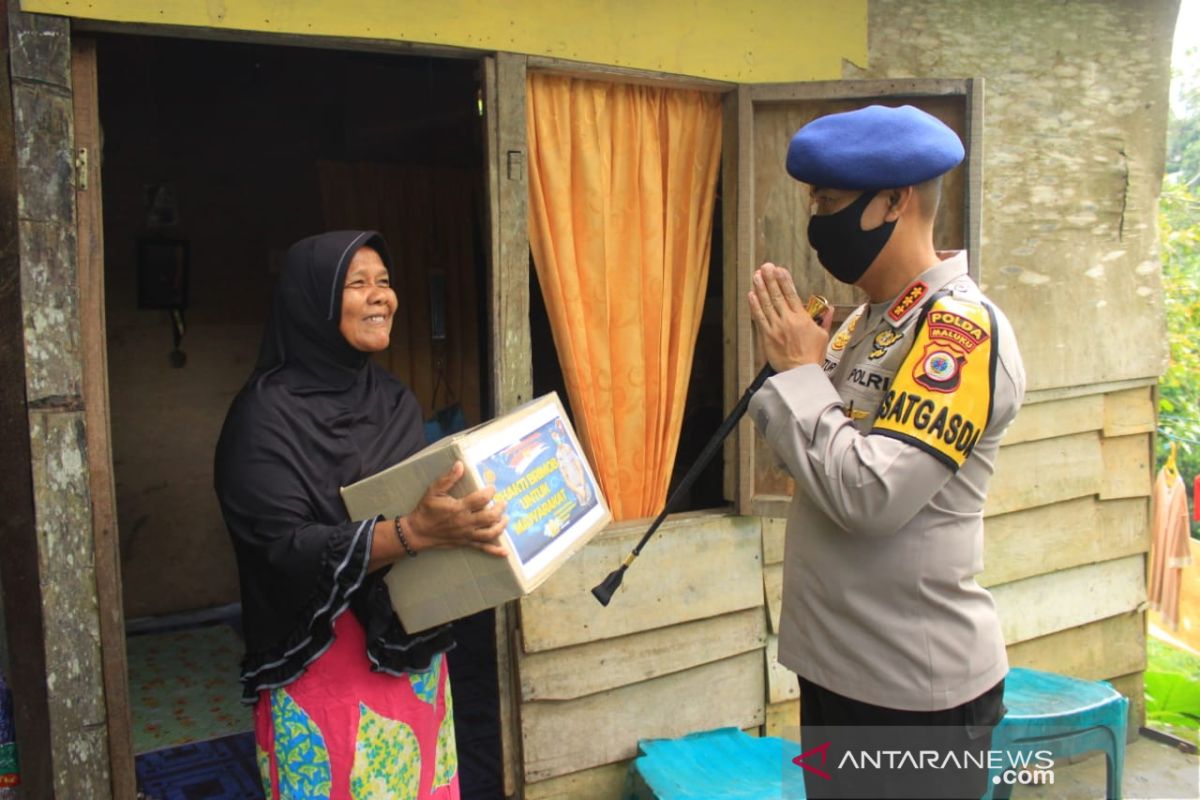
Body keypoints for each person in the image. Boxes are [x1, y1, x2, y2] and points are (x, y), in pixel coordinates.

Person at [746, 105, 1025, 799]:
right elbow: (811, 456)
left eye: (830, 203)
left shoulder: (956, 334)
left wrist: (801, 378)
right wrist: (799, 372)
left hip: (914, 697)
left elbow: (870, 498)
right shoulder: (862, 326)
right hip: (843, 670)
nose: (816, 222)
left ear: (893, 202)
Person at [214, 230, 508, 799]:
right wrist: (411, 532)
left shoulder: (395, 400)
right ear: (312, 303)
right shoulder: (264, 417)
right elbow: (279, 547)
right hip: (321, 656)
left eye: (385, 282)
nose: (381, 296)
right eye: (358, 283)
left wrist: (468, 520)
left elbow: (420, 506)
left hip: (408, 648)